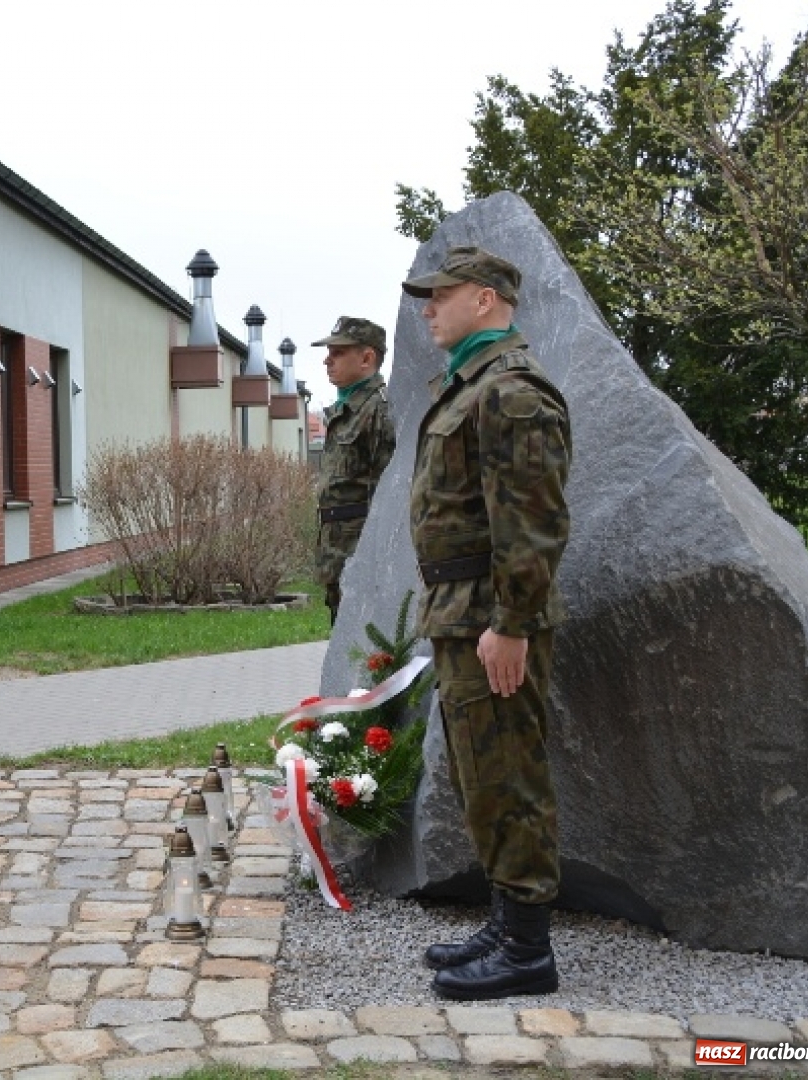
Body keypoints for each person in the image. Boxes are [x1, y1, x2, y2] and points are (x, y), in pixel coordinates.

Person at [402, 246, 572, 1000]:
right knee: (482, 776)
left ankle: (528, 951)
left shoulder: (510, 392)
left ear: (483, 298)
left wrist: (513, 623)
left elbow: (532, 524)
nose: (426, 308)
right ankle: (506, 923)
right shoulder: (472, 386)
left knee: (509, 776)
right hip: (462, 612)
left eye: (437, 296)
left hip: (490, 618)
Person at [311, 316, 395, 627]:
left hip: (362, 554)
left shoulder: (380, 409)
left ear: (367, 358)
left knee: (365, 648)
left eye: (338, 352)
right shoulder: (344, 411)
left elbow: (389, 492)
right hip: (338, 554)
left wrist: (375, 558)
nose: (326, 360)